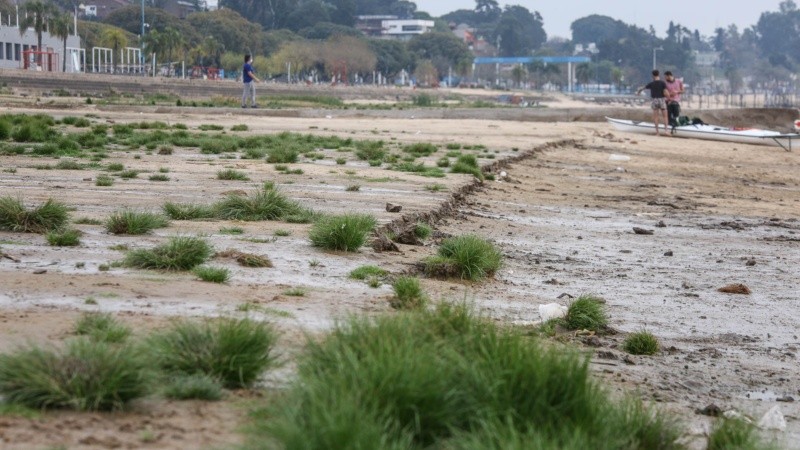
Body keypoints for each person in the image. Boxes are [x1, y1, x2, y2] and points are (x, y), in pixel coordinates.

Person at [636, 70, 670, 136]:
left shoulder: (651, 84)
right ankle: (666, 130)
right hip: (661, 99)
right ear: (658, 74)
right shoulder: (662, 83)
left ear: (652, 75)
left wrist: (638, 92)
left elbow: (643, 88)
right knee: (665, 116)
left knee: (656, 117)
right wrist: (669, 97)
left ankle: (657, 132)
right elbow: (666, 92)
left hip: (654, 100)